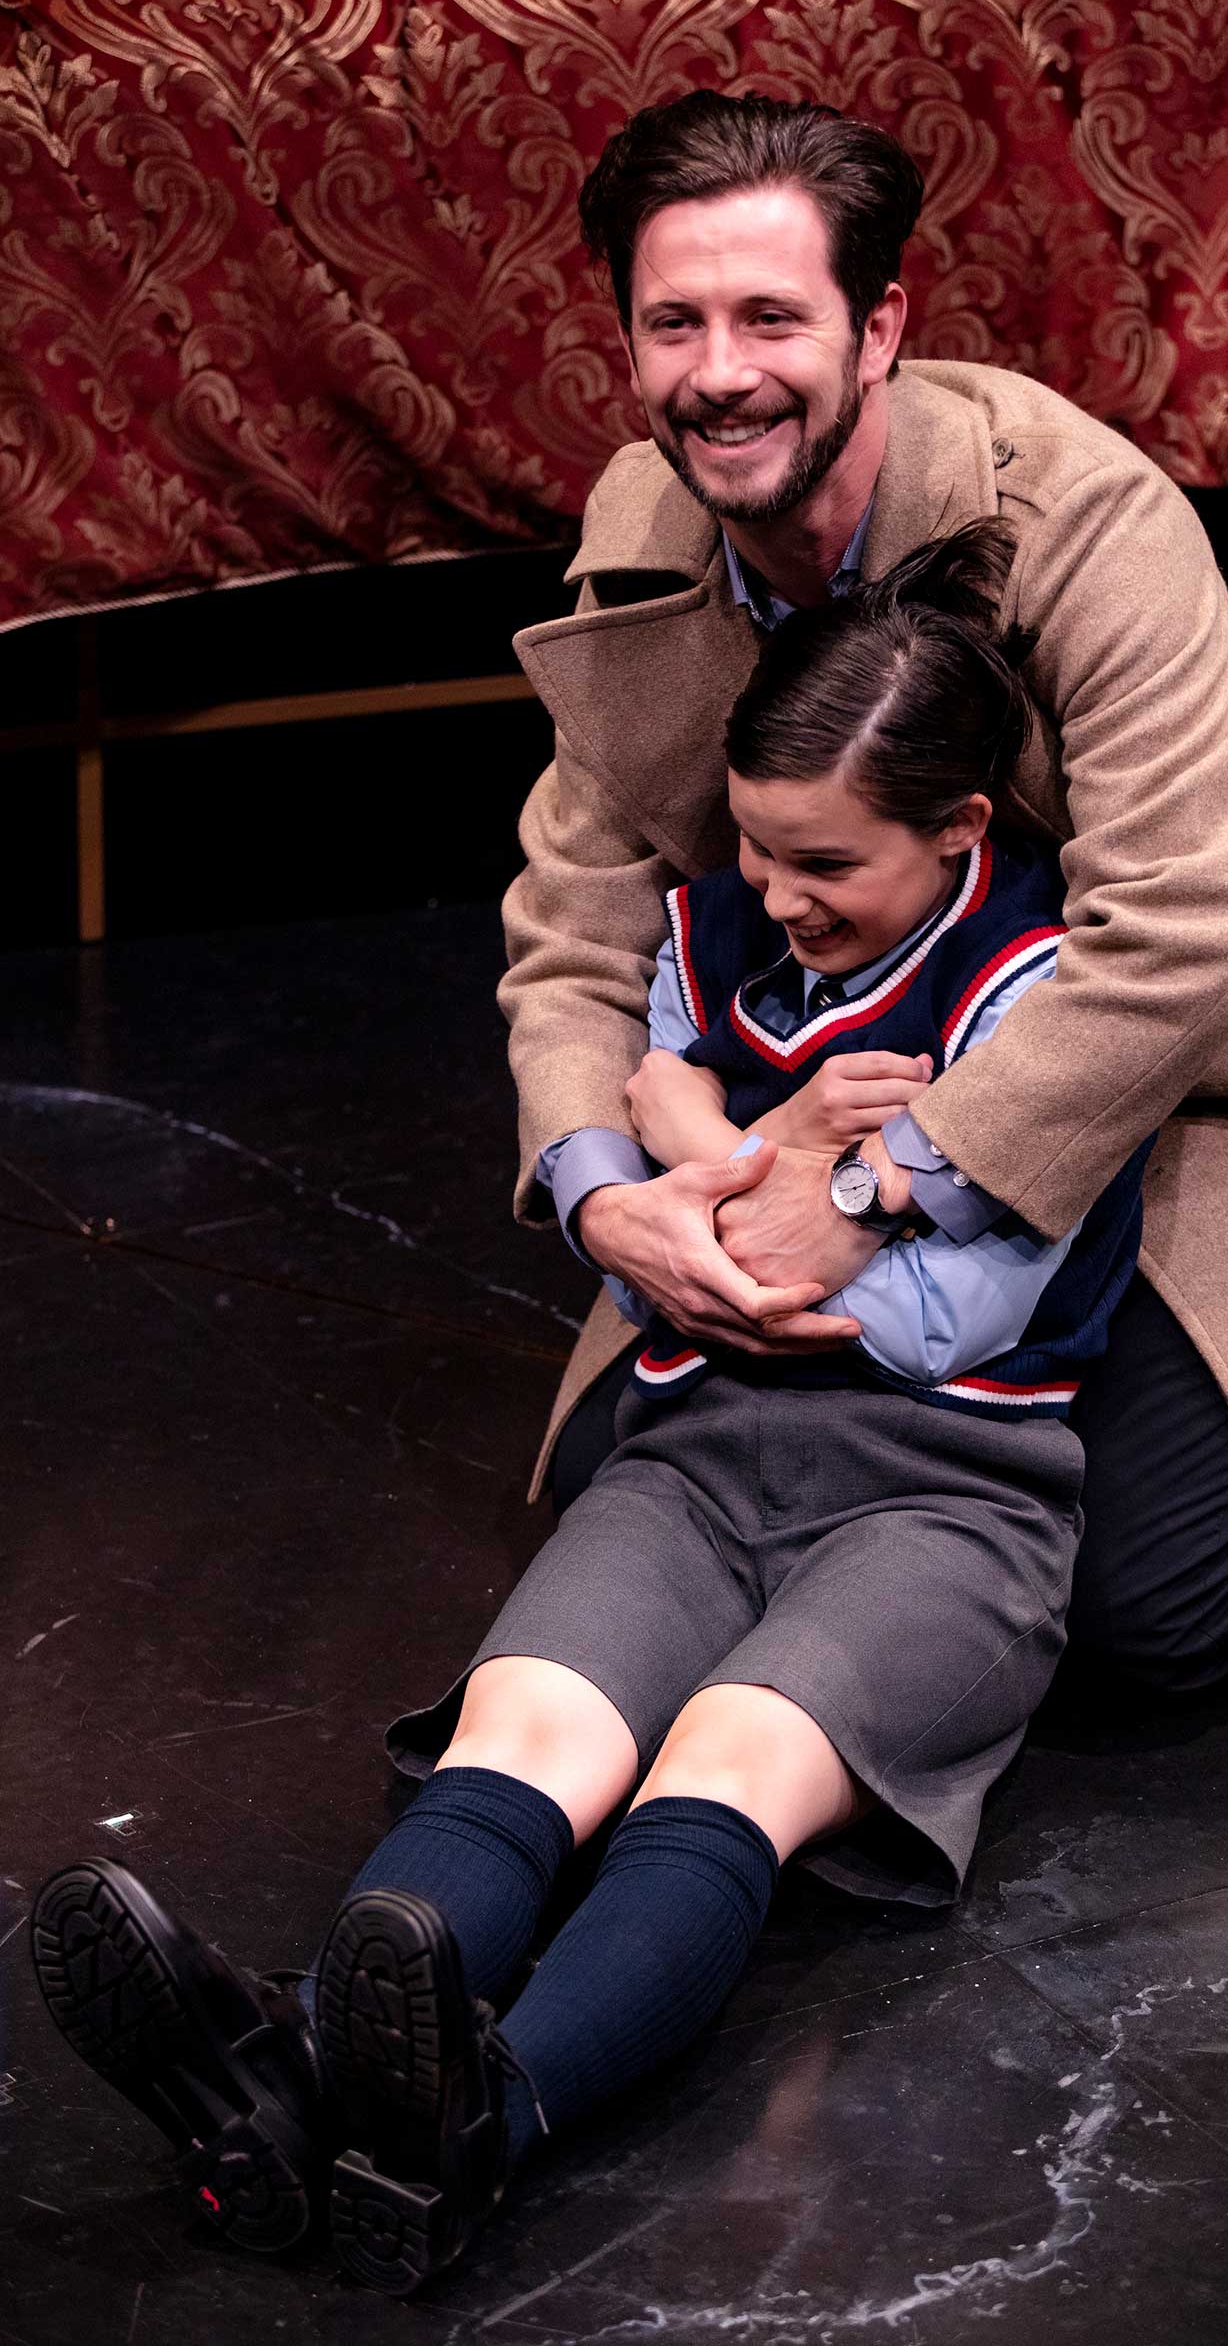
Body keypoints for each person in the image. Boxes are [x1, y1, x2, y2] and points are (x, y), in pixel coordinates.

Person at [33, 523, 1149, 2296]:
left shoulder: (1045, 999)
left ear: (963, 831)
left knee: (711, 1775)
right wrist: (772, 1150)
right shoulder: (714, 936)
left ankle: (488, 2118)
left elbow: (947, 1326)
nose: (778, 895)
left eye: (827, 865)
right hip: (694, 1455)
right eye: (760, 847)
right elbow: (647, 1258)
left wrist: (700, 1146)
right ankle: (299, 2069)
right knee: (528, 1747)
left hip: (951, 1495)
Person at [506, 89, 1228, 1677]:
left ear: (881, 325)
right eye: (674, 323)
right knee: (610, 1492)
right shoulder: (647, 522)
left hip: (1162, 1088)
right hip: (828, 1074)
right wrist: (609, 1199)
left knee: (1131, 1614)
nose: (720, 374)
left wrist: (866, 1195)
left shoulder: (1085, 518)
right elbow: (572, 928)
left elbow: (1180, 946)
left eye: (772, 316)